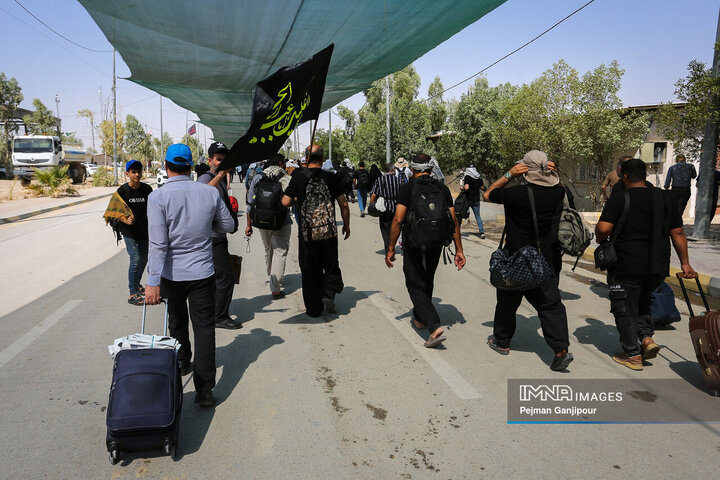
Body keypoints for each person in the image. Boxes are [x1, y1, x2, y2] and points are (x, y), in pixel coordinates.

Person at [145, 143, 236, 407]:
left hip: (172, 275)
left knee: (177, 322)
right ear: (190, 167)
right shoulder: (208, 193)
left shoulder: (158, 198)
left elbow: (159, 244)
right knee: (204, 328)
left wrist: (152, 282)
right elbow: (228, 225)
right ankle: (205, 390)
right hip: (202, 272)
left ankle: (183, 362)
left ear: (166, 166)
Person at [596, 158, 696, 371]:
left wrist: (599, 237)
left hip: (626, 265)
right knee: (643, 301)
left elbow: (603, 229)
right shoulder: (664, 198)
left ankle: (632, 354)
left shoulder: (619, 198)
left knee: (624, 308)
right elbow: (677, 232)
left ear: (624, 176)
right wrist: (685, 264)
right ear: (645, 175)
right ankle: (647, 338)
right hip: (657, 266)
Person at [483, 150, 573, 372]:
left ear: (525, 170)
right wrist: (554, 173)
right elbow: (569, 196)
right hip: (547, 258)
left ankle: (502, 342)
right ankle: (561, 350)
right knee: (550, 303)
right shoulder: (558, 191)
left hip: (517, 258)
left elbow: (488, 194)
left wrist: (508, 174)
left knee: (507, 300)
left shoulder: (518, 193)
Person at [385, 154, 466, 348]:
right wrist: (459, 250)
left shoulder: (407, 188)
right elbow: (453, 220)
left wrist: (390, 248)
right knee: (427, 279)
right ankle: (420, 318)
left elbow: (398, 219)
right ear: (431, 169)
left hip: (414, 242)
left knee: (414, 282)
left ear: (412, 170)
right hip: (437, 242)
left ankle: (433, 325)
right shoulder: (442, 188)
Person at [282, 145, 350, 317]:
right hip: (328, 231)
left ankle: (313, 309)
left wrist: (296, 197)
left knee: (309, 269)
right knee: (330, 264)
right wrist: (347, 225)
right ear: (322, 158)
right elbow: (344, 204)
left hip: (307, 233)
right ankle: (328, 293)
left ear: (306, 157)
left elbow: (285, 202)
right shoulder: (331, 177)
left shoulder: (298, 176)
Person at [197, 142, 242, 330]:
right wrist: (221, 175)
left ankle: (216, 311)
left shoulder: (221, 179)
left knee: (220, 277)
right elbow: (201, 193)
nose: (221, 163)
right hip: (211, 238)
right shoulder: (205, 178)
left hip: (219, 237)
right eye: (218, 159)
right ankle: (219, 316)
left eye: (224, 160)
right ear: (210, 161)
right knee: (225, 277)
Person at [246, 154, 292, 299]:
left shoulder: (258, 178)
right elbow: (291, 200)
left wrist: (249, 225)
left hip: (261, 221)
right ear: (280, 163)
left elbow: (249, 204)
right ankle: (275, 285)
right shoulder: (285, 178)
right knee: (280, 251)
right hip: (281, 221)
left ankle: (272, 277)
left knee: (268, 250)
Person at [116, 160, 153, 305]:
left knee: (144, 259)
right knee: (136, 258)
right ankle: (132, 293)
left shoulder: (147, 190)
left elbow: (153, 208)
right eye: (133, 172)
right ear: (127, 174)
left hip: (144, 230)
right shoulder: (122, 191)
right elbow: (113, 212)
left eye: (139, 171)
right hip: (129, 232)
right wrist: (125, 220)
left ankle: (137, 284)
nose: (137, 174)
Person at [370, 160, 409, 252]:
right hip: (397, 207)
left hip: (384, 208)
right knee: (397, 226)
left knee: (385, 228)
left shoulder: (380, 180)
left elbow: (373, 195)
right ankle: (399, 244)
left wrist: (372, 206)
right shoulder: (398, 180)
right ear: (392, 170)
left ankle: (389, 248)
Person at [664, 153, 697, 219]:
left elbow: (668, 180)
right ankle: (678, 219)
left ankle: (674, 220)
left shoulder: (672, 168)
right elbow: (694, 176)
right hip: (686, 189)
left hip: (675, 189)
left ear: (676, 160)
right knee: (682, 206)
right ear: (685, 159)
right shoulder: (691, 166)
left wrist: (666, 188)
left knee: (674, 206)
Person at [462, 164, 486, 239]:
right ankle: (481, 232)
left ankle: (455, 231)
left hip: (468, 200)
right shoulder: (478, 177)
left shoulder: (467, 177)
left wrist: (462, 188)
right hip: (476, 200)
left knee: (460, 215)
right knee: (478, 216)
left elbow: (466, 187)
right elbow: (482, 187)